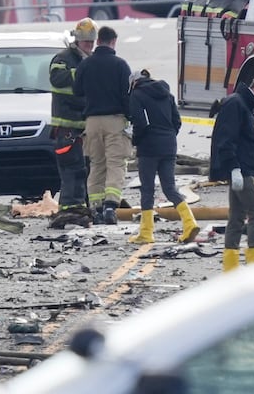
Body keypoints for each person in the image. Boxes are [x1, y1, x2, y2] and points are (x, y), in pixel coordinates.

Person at [126, 68, 199, 246]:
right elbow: (177, 121)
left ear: (134, 82)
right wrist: (168, 137)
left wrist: (135, 140)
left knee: (147, 189)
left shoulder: (137, 94)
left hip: (149, 148)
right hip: (169, 146)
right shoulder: (166, 93)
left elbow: (140, 123)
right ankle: (190, 223)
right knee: (169, 188)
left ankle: (146, 232)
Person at [210, 72, 254, 271]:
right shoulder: (236, 104)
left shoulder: (242, 105)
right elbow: (226, 139)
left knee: (237, 216)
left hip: (242, 168)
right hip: (240, 168)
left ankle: (231, 267)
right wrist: (234, 167)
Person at [74, 24, 131, 224]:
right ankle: (110, 205)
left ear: (98, 41)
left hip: (91, 122)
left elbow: (77, 91)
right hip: (114, 121)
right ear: (113, 42)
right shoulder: (120, 65)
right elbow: (127, 95)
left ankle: (96, 208)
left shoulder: (85, 65)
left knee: (96, 164)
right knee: (115, 163)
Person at [48, 18, 96, 226]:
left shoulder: (90, 60)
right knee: (72, 170)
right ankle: (69, 210)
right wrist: (84, 74)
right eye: (86, 43)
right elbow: (58, 81)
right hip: (67, 128)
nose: (89, 46)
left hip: (84, 127)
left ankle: (83, 208)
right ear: (77, 41)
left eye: (91, 43)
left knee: (85, 170)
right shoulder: (63, 59)